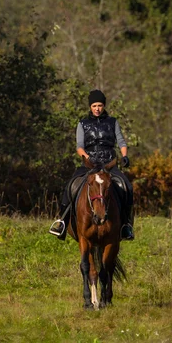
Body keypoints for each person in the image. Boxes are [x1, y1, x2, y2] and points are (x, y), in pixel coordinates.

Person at [49, 89, 134, 241]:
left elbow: (121, 141)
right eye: (94, 105)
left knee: (126, 186)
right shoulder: (82, 124)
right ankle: (61, 221)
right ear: (90, 106)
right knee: (70, 186)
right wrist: (87, 158)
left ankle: (126, 225)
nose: (97, 108)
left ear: (104, 106)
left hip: (109, 163)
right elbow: (79, 146)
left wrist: (125, 156)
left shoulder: (113, 122)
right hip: (89, 164)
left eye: (100, 105)